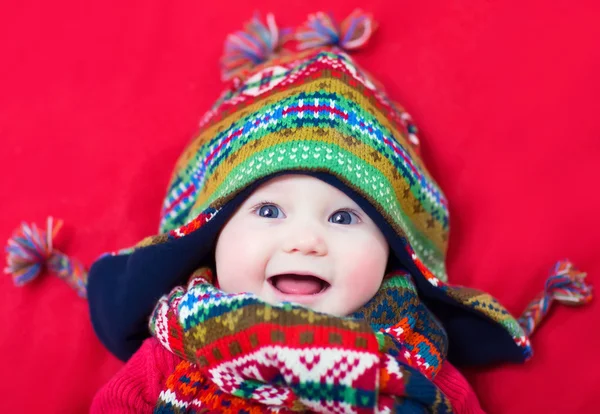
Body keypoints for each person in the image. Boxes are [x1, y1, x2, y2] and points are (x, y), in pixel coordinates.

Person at [5, 10, 591, 413]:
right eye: (267, 211)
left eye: (343, 218)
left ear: (395, 252)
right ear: (211, 235)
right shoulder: (177, 342)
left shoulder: (414, 354)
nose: (306, 241)